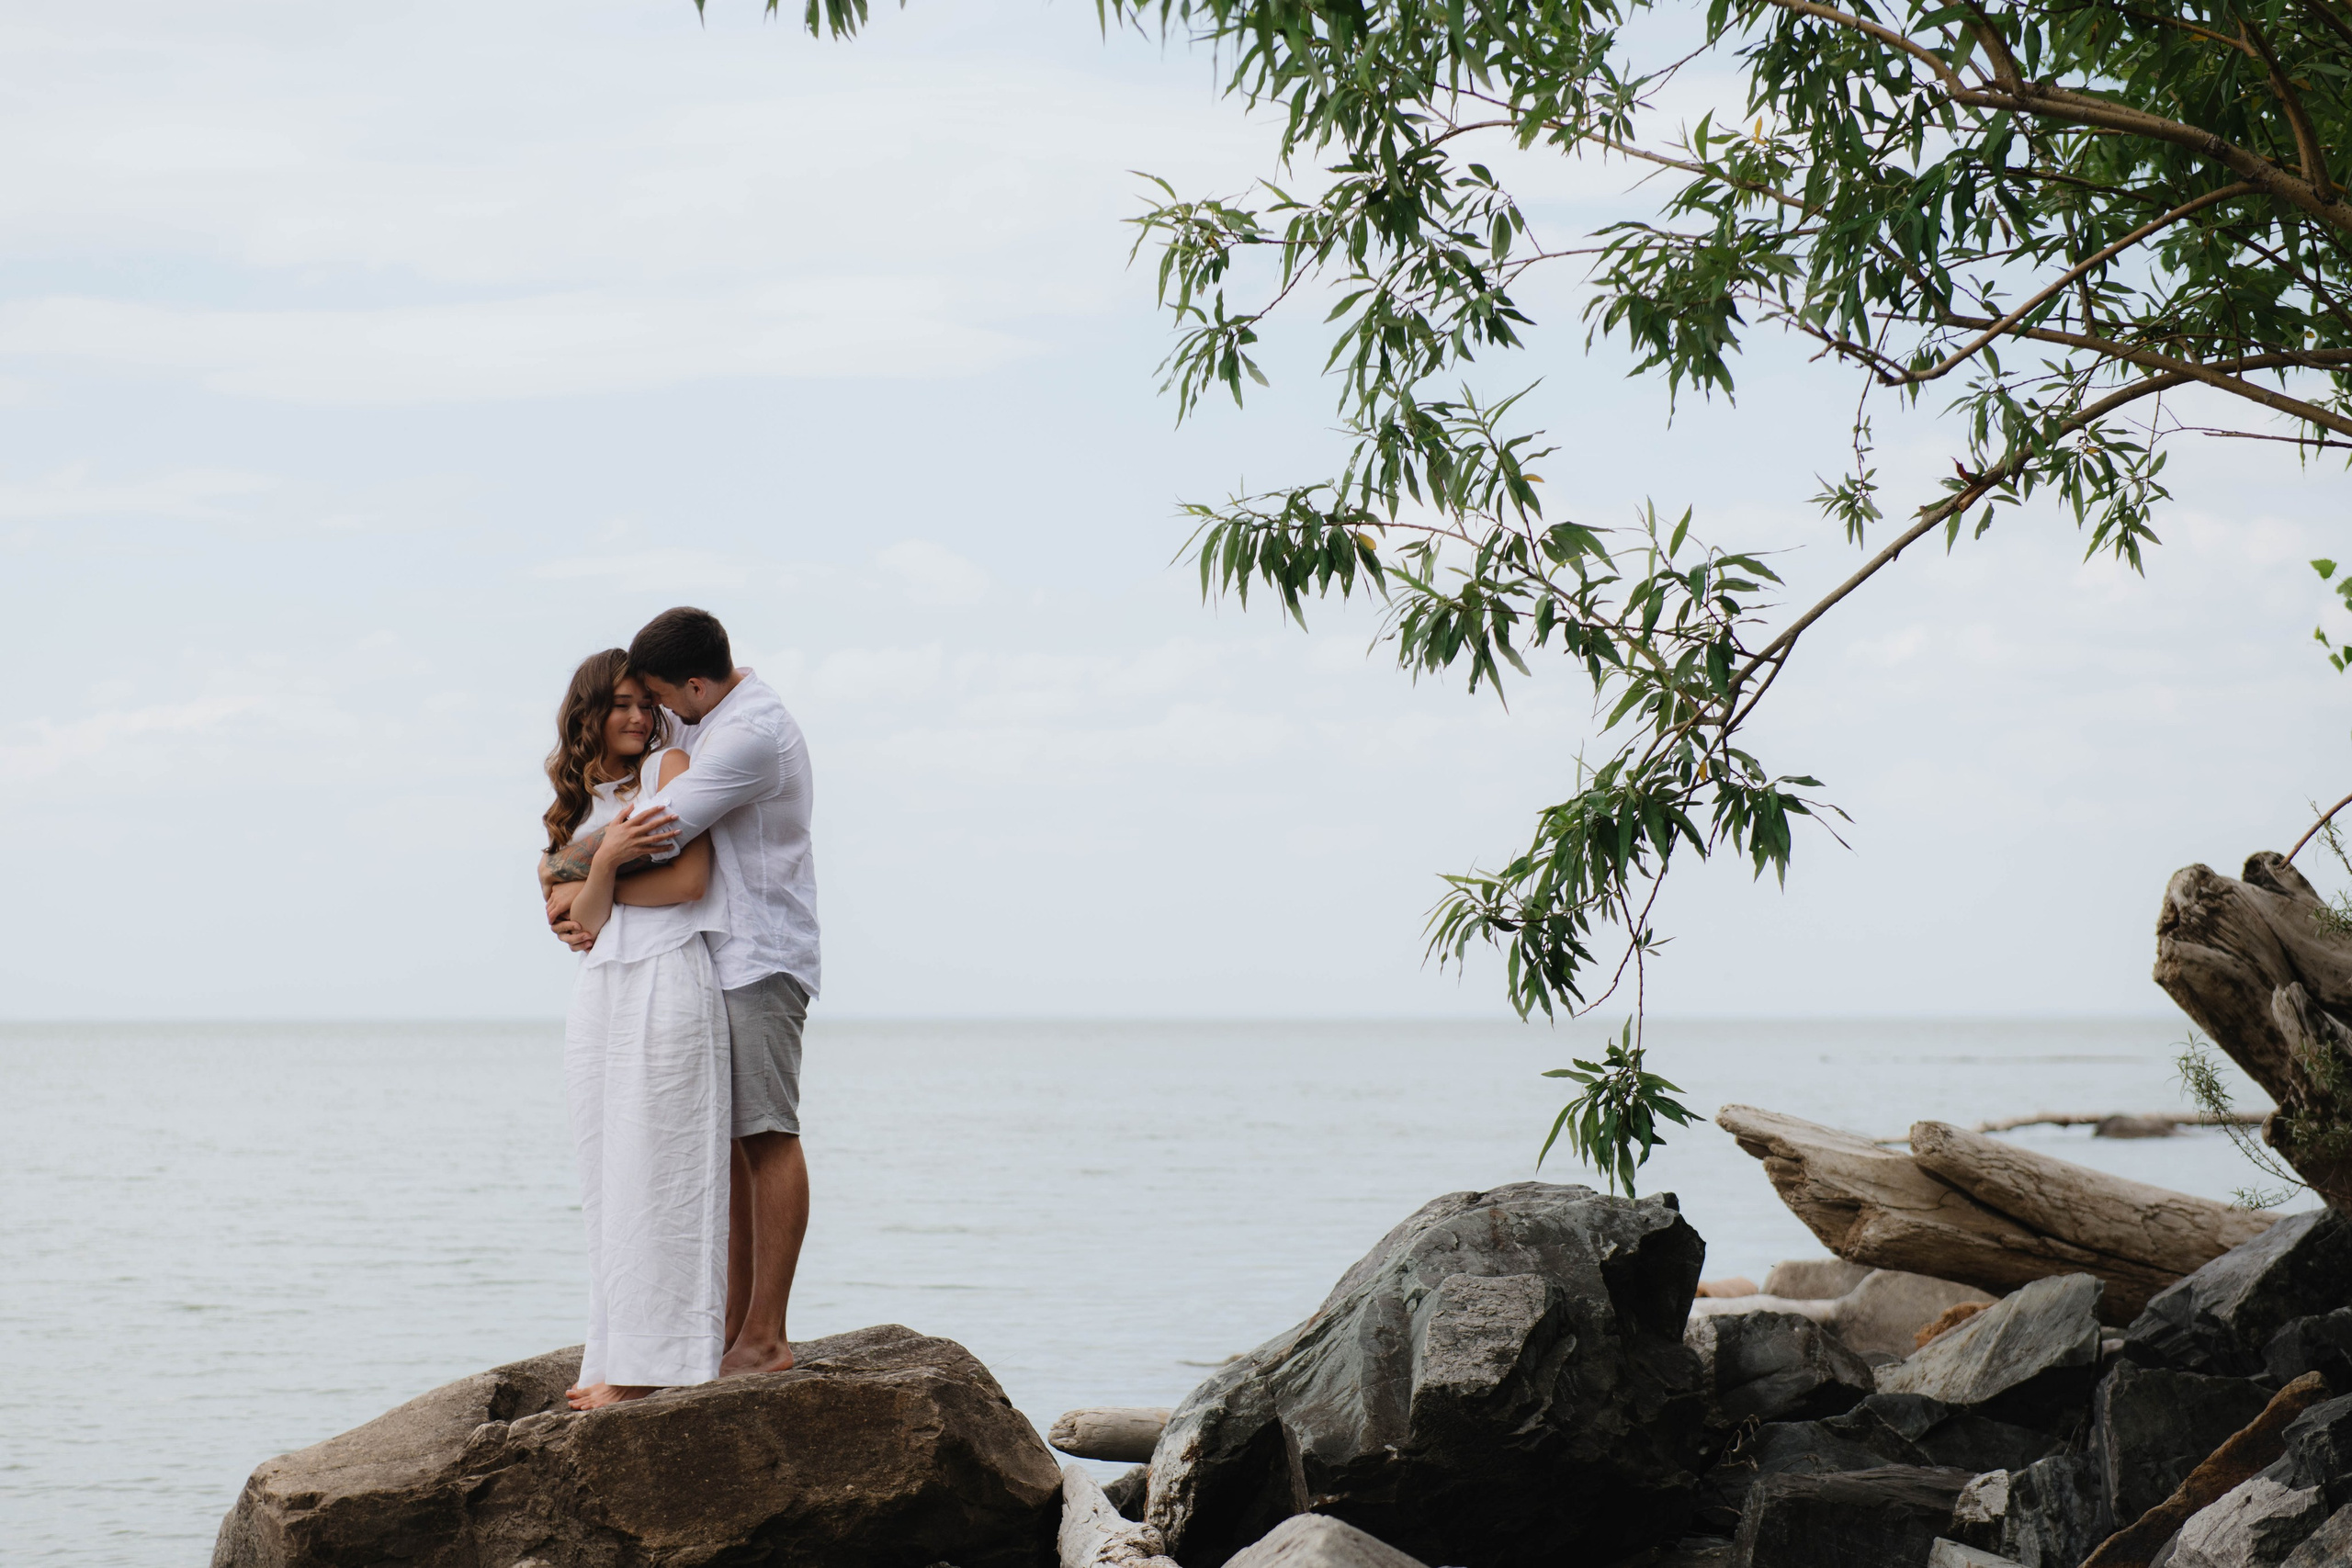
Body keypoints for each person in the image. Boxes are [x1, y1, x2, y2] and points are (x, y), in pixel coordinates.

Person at [544, 607, 818, 1378]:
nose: (653, 714)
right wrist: (579, 874)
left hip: (760, 953)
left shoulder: (745, 734)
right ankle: (731, 1330)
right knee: (726, 1147)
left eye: (660, 697)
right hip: (719, 955)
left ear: (694, 684)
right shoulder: (701, 726)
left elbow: (658, 837)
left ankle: (765, 1336)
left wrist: (559, 871)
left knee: (766, 1135)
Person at [538, 649, 731, 1409]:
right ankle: (613, 1351)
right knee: (606, 1172)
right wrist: (608, 860)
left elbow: (689, 881)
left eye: (642, 702)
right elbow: (566, 919)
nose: (636, 715)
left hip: (667, 976)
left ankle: (662, 1363)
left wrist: (603, 870)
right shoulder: (571, 807)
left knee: (667, 1168)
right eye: (619, 702)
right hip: (599, 993)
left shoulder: (670, 770)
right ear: (586, 710)